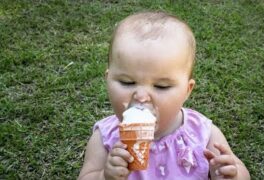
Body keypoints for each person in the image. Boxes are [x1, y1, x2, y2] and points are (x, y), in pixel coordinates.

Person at [78, 11, 250, 180]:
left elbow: (240, 172)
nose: (142, 96)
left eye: (161, 86)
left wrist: (230, 174)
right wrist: (105, 176)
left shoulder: (203, 134)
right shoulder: (105, 138)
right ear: (108, 80)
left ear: (187, 91)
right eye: (127, 83)